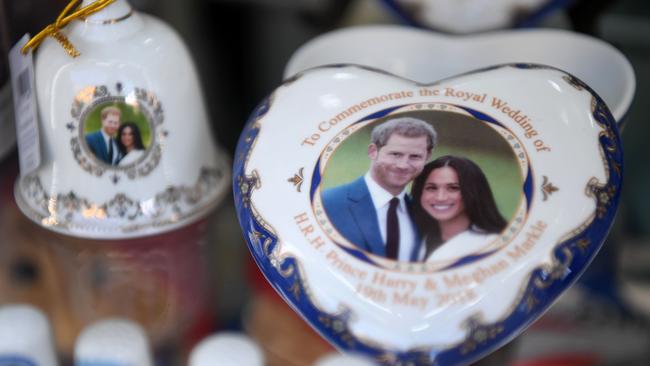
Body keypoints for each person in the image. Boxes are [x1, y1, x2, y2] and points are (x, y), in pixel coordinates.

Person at [322, 117, 437, 261]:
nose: (403, 165)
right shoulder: (328, 203)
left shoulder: (425, 214)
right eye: (396, 154)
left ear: (427, 157)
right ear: (373, 151)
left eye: (415, 156)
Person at [410, 155, 507, 261]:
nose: (440, 197)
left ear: (473, 192)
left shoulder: (493, 245)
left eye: (453, 188)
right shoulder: (416, 237)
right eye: (432, 188)